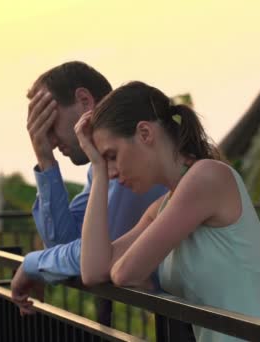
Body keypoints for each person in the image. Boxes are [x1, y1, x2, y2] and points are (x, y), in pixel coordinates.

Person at [75, 81, 260, 341]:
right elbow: (93, 271)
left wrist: (122, 269)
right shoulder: (162, 207)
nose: (113, 172)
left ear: (144, 133)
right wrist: (97, 172)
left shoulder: (207, 176)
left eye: (111, 155)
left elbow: (125, 273)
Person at [10, 62, 166, 316]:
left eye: (48, 123)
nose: (48, 139)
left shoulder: (131, 156)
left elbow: (95, 256)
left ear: (84, 101)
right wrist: (45, 160)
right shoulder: (100, 169)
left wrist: (32, 264)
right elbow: (65, 243)